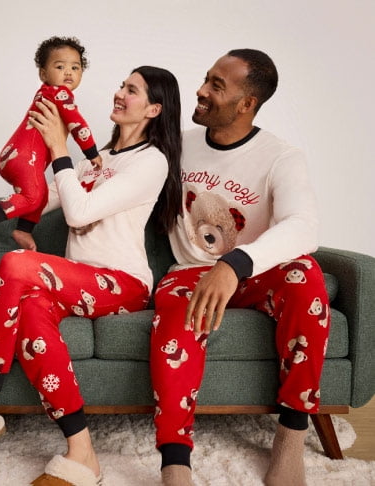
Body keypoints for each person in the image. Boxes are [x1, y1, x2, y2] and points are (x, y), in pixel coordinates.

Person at [0, 66, 183, 486]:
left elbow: (80, 211)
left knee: (17, 264)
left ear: (153, 109)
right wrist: (3, 210)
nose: (118, 93)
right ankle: (82, 452)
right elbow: (47, 196)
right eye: (121, 85)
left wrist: (59, 147)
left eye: (131, 90)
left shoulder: (152, 162)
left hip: (122, 283)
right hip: (76, 279)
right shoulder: (101, 160)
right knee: (31, 312)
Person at [149, 49, 328, 486]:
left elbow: (303, 226)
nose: (200, 90)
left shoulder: (281, 156)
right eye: (206, 79)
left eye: (216, 85)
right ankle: (175, 463)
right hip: (190, 272)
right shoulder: (177, 145)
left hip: (253, 272)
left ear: (246, 104)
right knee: (175, 316)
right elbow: (115, 171)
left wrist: (236, 263)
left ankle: (289, 440)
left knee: (306, 276)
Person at [0, 36, 103, 251]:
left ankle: (24, 229)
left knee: (41, 195)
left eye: (75, 67)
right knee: (34, 196)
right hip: (24, 158)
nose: (68, 72)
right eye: (60, 66)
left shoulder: (47, 93)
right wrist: (92, 152)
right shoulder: (59, 93)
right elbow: (77, 124)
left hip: (16, 156)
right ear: (43, 74)